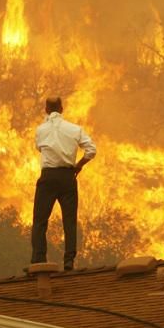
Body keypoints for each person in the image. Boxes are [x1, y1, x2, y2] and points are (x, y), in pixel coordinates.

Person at [31, 96, 96, 271]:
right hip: (68, 177)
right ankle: (69, 261)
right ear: (62, 108)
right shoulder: (75, 129)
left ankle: (38, 261)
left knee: (39, 221)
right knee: (69, 221)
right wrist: (79, 165)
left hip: (48, 177)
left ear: (46, 109)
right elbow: (91, 150)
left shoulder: (40, 130)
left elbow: (39, 147)